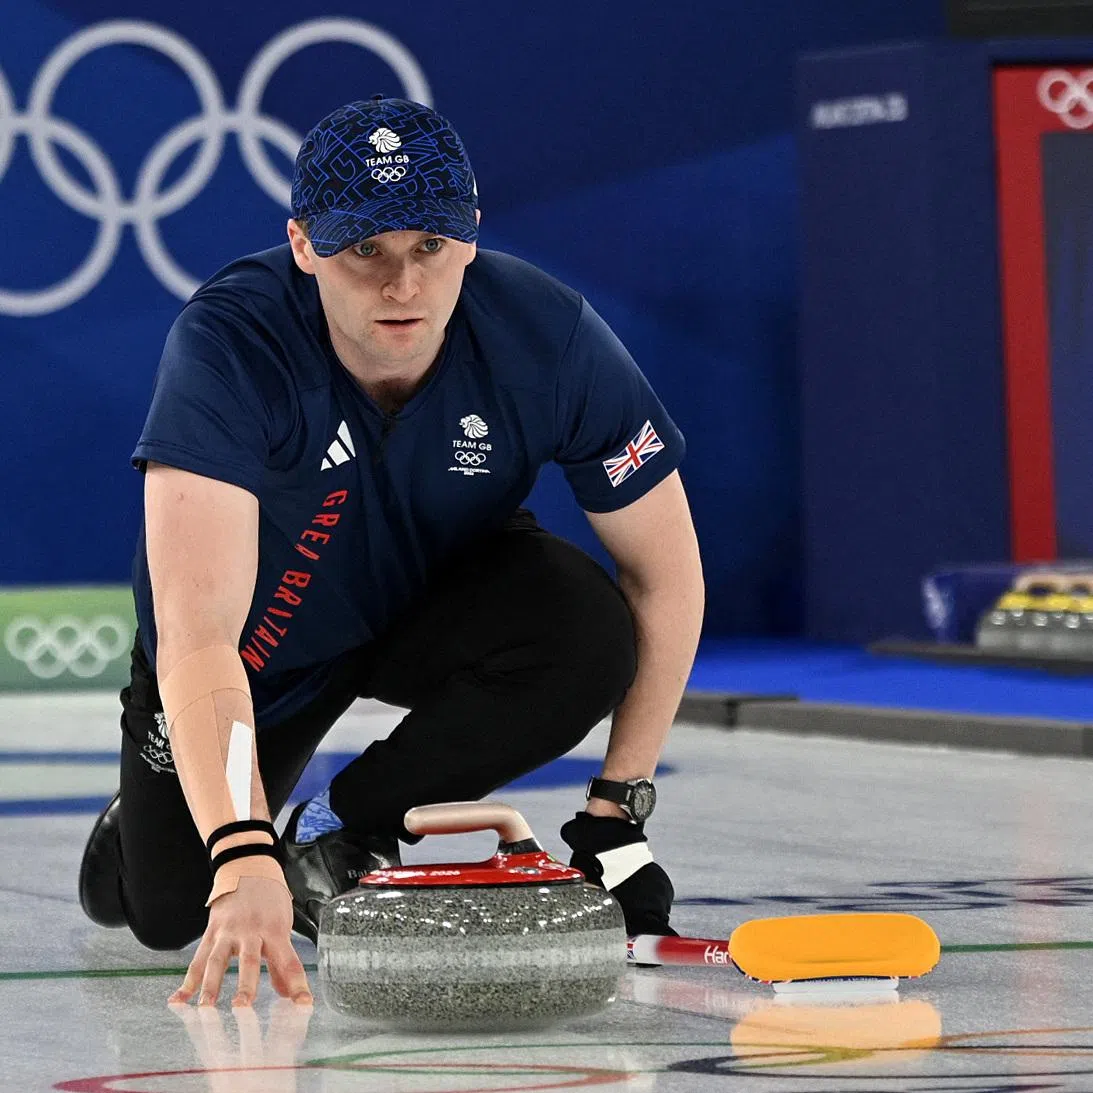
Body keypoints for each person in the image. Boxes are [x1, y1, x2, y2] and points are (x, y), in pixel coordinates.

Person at [77, 96, 705, 1008]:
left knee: (585, 630)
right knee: (171, 907)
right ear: (302, 246)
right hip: (264, 652)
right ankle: (141, 828)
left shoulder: (550, 337)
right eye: (362, 250)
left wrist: (617, 813)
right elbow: (197, 629)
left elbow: (666, 574)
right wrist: (243, 854)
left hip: (432, 599)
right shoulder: (228, 343)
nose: (401, 285)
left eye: (428, 248)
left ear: (472, 238)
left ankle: (341, 826)